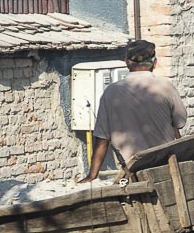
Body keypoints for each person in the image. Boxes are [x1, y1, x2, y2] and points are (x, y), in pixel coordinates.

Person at [78, 38, 188, 182]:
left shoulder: (111, 92)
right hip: (165, 168)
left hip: (130, 172)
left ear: (127, 62)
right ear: (154, 63)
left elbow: (102, 140)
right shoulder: (166, 86)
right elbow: (180, 122)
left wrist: (91, 175)